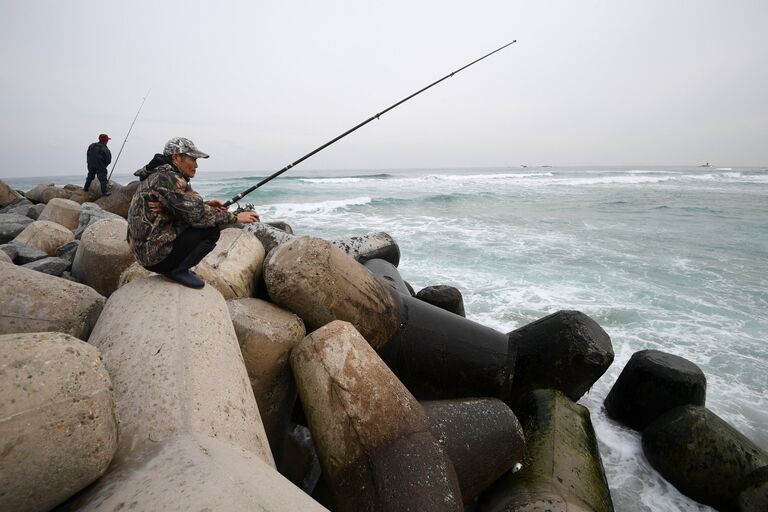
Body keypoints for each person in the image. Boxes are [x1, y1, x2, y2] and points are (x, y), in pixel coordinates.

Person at [127, 137, 259, 288]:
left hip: (144, 250)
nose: (196, 165)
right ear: (176, 157)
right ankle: (177, 270)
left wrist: (207, 204)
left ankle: (176, 267)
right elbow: (197, 215)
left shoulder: (159, 174)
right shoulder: (167, 178)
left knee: (200, 221)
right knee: (211, 230)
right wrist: (235, 217)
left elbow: (179, 206)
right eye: (193, 159)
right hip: (153, 256)